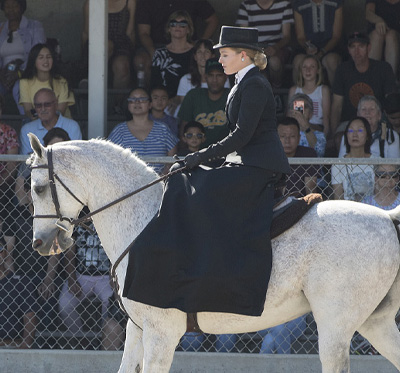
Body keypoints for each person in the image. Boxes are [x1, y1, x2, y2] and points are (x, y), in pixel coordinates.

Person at [122, 26, 291, 317]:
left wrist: (198, 156)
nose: (219, 61)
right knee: (183, 174)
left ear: (243, 55)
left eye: (224, 55)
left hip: (258, 167)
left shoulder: (255, 85)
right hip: (244, 162)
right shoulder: (241, 82)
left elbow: (241, 136)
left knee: (190, 183)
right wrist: (199, 159)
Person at [330, 31, 398, 140]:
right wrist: (333, 135)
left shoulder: (383, 68)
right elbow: (337, 106)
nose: (357, 51)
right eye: (353, 47)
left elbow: (391, 101)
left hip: (379, 122)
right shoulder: (343, 70)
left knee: (388, 139)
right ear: (348, 50)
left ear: (369, 47)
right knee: (339, 139)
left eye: (361, 46)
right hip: (350, 123)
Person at [135, 0, 218, 87]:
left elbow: (213, 20)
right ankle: (148, 96)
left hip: (187, 44)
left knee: (203, 57)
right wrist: (154, 53)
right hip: (156, 45)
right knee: (141, 60)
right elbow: (143, 33)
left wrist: (200, 45)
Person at [58, 217, 114, 334]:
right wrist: (72, 279)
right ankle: (79, 338)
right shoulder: (76, 222)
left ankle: (106, 338)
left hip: (105, 277)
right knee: (65, 305)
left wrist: (113, 277)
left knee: (110, 303)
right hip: (81, 276)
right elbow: (69, 253)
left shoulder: (109, 220)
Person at [108, 87, 178, 175]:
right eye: (133, 99)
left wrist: (162, 178)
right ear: (128, 104)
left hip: (160, 183)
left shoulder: (163, 129)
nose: (137, 102)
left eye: (142, 99)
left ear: (150, 104)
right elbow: (110, 157)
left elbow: (173, 157)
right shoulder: (119, 131)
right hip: (129, 185)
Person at [235, 0, 294, 88]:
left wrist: (275, 47)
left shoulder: (284, 4)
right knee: (256, 64)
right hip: (255, 49)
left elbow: (287, 36)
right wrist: (256, 51)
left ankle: (276, 88)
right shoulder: (246, 6)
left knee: (275, 62)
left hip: (278, 48)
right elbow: (245, 36)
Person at [0, 0, 46, 110]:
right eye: (7, 6)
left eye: (14, 6)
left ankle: (27, 122)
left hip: (27, 73)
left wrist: (20, 73)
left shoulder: (34, 26)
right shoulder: (1, 28)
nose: (11, 10)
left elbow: (39, 54)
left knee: (19, 88)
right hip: (4, 75)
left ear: (21, 7)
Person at [82, 0, 136, 91]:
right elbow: (86, 32)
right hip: (98, 45)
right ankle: (92, 83)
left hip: (121, 44)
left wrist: (133, 55)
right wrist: (83, 58)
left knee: (122, 66)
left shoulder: (130, 2)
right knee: (107, 45)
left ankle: (117, 104)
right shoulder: (91, 3)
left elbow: (130, 32)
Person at [178, 58, 230, 148]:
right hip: (197, 155)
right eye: (211, 75)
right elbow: (183, 129)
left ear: (226, 77)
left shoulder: (232, 96)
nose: (214, 80)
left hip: (226, 154)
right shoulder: (193, 96)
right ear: (205, 77)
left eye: (219, 75)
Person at [150, 10, 194, 115]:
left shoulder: (196, 52)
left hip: (191, 100)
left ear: (189, 29)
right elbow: (155, 82)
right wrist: (165, 100)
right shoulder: (160, 53)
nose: (177, 27)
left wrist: (179, 99)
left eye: (182, 24)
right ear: (169, 28)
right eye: (173, 23)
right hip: (165, 103)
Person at [292, 0, 343, 86]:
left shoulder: (336, 3)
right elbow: (300, 37)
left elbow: (336, 36)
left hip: (331, 47)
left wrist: (322, 51)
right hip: (307, 48)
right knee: (298, 61)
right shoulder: (299, 4)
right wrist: (307, 47)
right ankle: (297, 96)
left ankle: (335, 96)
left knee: (332, 61)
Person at [19, 43, 75, 120]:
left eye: (48, 57)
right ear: (33, 61)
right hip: (37, 122)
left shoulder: (62, 81)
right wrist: (41, 121)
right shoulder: (25, 82)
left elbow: (60, 111)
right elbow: (28, 110)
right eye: (41, 57)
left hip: (61, 125)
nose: (45, 60)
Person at [18, 88, 82, 155]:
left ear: (56, 104)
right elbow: (27, 160)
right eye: (39, 106)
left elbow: (76, 156)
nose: (43, 109)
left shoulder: (72, 126)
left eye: (47, 104)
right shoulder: (27, 130)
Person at [0, 240, 39, 348]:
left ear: (6, 253)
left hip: (11, 344)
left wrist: (24, 346)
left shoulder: (20, 283)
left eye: (0, 249)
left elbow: (30, 316)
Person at [331, 116, 377, 201]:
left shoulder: (377, 162)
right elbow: (338, 198)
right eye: (351, 130)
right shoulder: (338, 164)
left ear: (367, 136)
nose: (355, 134)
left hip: (372, 210)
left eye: (360, 130)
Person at [176, 39, 231, 107]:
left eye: (207, 52)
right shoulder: (185, 80)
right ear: (195, 56)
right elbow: (184, 106)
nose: (203, 55)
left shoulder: (222, 78)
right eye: (199, 52)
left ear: (212, 56)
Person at [288, 54, 331, 137]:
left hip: (316, 127)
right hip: (297, 129)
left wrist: (324, 138)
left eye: (312, 67)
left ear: (318, 70)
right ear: (300, 70)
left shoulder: (323, 90)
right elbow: (289, 115)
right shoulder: (294, 90)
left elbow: (326, 117)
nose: (308, 70)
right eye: (304, 67)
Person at [278, 117, 318, 197]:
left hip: (301, 203)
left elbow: (310, 188)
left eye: (292, 136)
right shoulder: (270, 156)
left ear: (299, 138)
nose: (287, 141)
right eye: (282, 136)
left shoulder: (308, 154)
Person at [366, 0, 400, 80]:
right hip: (376, 34)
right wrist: (378, 20)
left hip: (396, 36)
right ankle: (371, 82)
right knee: (378, 34)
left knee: (391, 35)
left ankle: (390, 82)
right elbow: (368, 13)